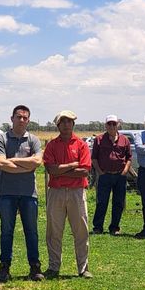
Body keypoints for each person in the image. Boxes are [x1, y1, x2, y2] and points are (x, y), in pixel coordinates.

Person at [0, 104, 44, 282]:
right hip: (7, 193)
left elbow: (37, 162)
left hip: (29, 194)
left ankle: (35, 267)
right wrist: (25, 165)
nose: (21, 120)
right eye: (18, 116)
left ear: (28, 120)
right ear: (12, 118)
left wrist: (12, 161)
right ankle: (4, 267)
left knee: (32, 231)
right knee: (6, 231)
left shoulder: (34, 140)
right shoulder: (1, 139)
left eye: (25, 117)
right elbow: (1, 164)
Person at [43, 110, 91, 278]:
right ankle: (54, 267)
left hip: (76, 192)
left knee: (81, 231)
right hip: (56, 192)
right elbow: (50, 169)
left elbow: (84, 171)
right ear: (58, 125)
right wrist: (72, 165)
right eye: (63, 121)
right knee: (54, 231)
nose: (66, 124)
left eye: (69, 121)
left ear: (73, 124)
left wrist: (60, 170)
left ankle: (83, 268)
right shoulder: (51, 145)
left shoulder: (81, 144)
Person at [91, 114, 132, 235]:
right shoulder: (99, 139)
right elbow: (94, 158)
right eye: (109, 124)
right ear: (106, 125)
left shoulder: (125, 140)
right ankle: (98, 227)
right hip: (105, 175)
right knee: (102, 202)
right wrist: (100, 172)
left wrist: (125, 171)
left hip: (120, 176)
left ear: (118, 125)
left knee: (118, 203)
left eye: (114, 124)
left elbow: (129, 157)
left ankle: (114, 227)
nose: (112, 126)